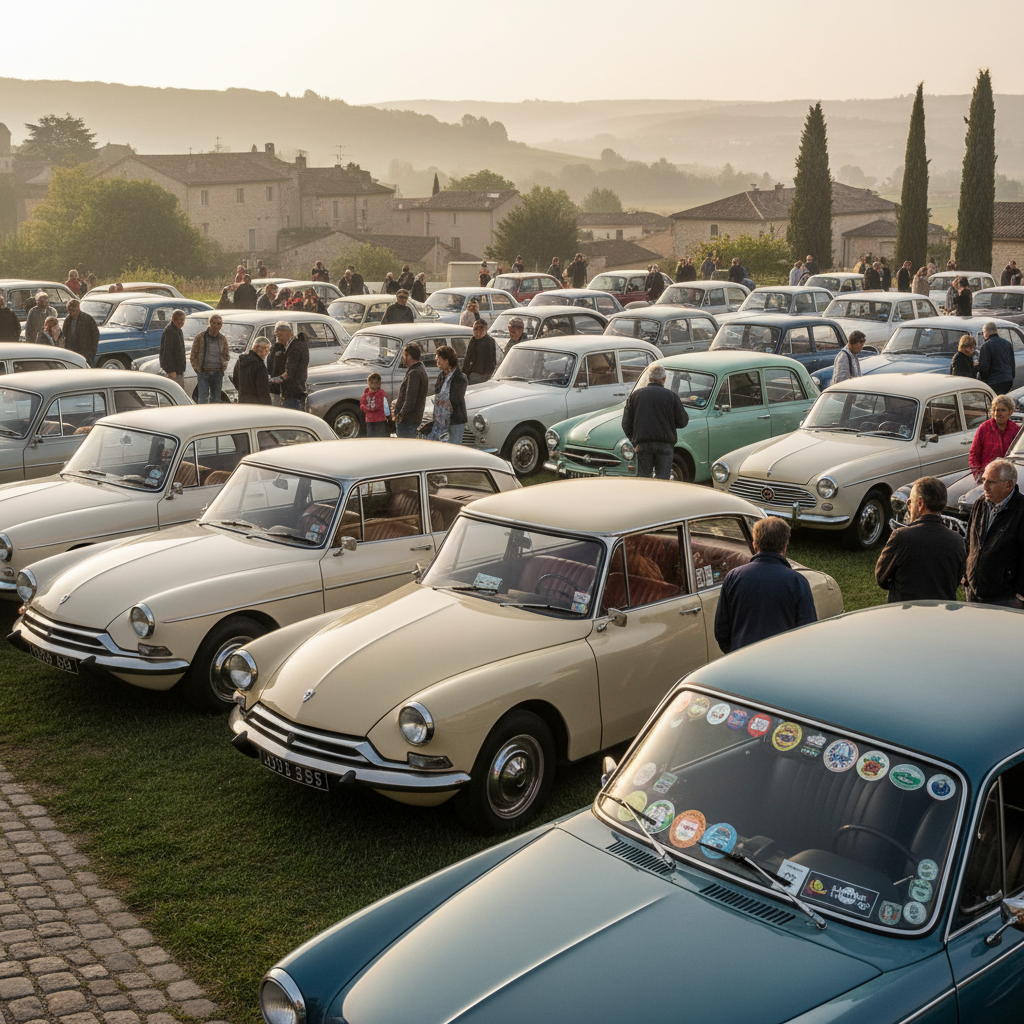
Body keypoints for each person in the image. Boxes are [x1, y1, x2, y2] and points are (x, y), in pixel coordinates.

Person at [713, 516, 817, 653]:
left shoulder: (733, 577)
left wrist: (734, 653)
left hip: (741, 660)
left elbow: (721, 631)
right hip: (781, 662)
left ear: (755, 545)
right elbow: (807, 632)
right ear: (784, 548)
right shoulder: (797, 582)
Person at [875, 476, 966, 602]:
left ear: (919, 503)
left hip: (906, 614)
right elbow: (957, 580)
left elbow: (881, 578)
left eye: (909, 502)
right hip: (941, 615)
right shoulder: (957, 541)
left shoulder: (901, 537)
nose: (908, 506)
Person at [965, 458, 1024, 606]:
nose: (984, 486)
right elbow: (969, 541)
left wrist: (1020, 594)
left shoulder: (1021, 510)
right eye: (983, 479)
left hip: (1005, 598)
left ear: (1008, 485)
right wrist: (965, 576)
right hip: (974, 592)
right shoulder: (980, 504)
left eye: (991, 482)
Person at [620, 363, 687, 480]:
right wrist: (669, 423)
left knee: (644, 481)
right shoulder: (672, 396)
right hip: (665, 446)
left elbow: (625, 423)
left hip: (643, 445)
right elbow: (683, 422)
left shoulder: (635, 396)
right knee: (662, 481)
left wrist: (634, 441)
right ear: (664, 379)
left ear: (649, 378)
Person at [969, 395, 1019, 479]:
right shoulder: (984, 428)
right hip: (988, 477)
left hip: (1008, 478)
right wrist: (979, 476)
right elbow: (974, 455)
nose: (998, 413)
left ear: (1010, 412)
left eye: (1003, 410)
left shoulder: (1015, 430)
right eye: (996, 410)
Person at [426, 345, 467, 444]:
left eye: (440, 360)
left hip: (455, 421)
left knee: (454, 449)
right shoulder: (442, 375)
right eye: (437, 360)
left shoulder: (460, 377)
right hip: (440, 422)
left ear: (448, 360)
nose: (438, 362)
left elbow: (456, 400)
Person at [190, 314, 229, 403]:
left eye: (219, 324)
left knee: (216, 399)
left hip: (218, 373)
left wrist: (222, 368)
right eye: (214, 323)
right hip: (203, 373)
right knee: (203, 399)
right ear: (210, 323)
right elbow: (193, 355)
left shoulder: (223, 339)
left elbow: (226, 355)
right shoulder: (200, 337)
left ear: (221, 325)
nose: (216, 326)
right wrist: (198, 370)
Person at [392, 343, 428, 438]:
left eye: (404, 355)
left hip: (408, 421)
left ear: (408, 355)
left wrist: (400, 415)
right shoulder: (420, 369)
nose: (403, 358)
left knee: (405, 448)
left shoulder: (414, 372)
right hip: (413, 419)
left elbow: (410, 400)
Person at [276, 324, 308, 411]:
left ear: (289, 334)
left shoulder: (294, 349)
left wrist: (273, 380)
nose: (278, 338)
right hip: (299, 388)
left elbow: (289, 373)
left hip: (292, 392)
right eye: (277, 335)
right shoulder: (300, 344)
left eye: (280, 335)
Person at [977, 320, 1015, 395]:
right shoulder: (1007, 344)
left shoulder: (986, 346)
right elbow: (1012, 364)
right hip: (1008, 380)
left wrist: (982, 380)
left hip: (994, 381)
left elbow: (984, 367)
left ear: (986, 334)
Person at [232, 338, 272, 404]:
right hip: (256, 404)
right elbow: (263, 390)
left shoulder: (240, 361)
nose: (266, 352)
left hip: (242, 401)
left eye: (268, 349)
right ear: (256, 348)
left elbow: (235, 380)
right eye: (265, 348)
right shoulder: (260, 366)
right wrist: (268, 407)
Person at [61, 299, 99, 364]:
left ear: (78, 308)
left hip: (86, 353)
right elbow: (64, 335)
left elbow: (96, 335)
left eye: (73, 308)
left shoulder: (87, 319)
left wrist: (92, 351)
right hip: (72, 352)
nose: (71, 311)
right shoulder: (68, 320)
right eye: (69, 309)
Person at [462, 319, 498, 384]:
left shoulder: (490, 341)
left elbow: (491, 361)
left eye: (480, 330)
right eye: (475, 330)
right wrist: (464, 372)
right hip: (472, 373)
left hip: (483, 375)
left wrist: (487, 375)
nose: (477, 333)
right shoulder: (473, 340)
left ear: (484, 330)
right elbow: (468, 357)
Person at [159, 310, 187, 387]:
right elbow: (167, 351)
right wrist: (170, 370)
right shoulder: (170, 331)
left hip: (179, 370)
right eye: (180, 320)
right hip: (174, 371)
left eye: (183, 319)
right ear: (174, 320)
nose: (182, 322)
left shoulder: (178, 330)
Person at [360, 373, 389, 437]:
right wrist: (365, 408)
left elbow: (379, 405)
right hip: (370, 419)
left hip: (380, 419)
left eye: (376, 383)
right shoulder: (366, 393)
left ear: (379, 384)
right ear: (368, 384)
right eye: (372, 383)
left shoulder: (381, 393)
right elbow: (362, 403)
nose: (374, 385)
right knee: (371, 437)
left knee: (382, 436)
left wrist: (369, 409)